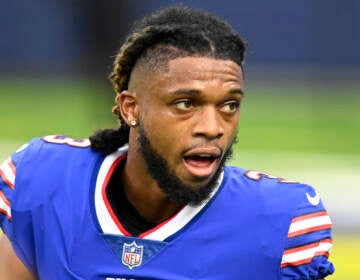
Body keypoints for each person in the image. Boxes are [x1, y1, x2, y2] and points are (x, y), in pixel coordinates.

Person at [0, 5, 334, 279]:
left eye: (229, 105)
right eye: (186, 104)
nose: (212, 127)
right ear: (131, 108)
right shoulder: (41, 179)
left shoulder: (281, 222)